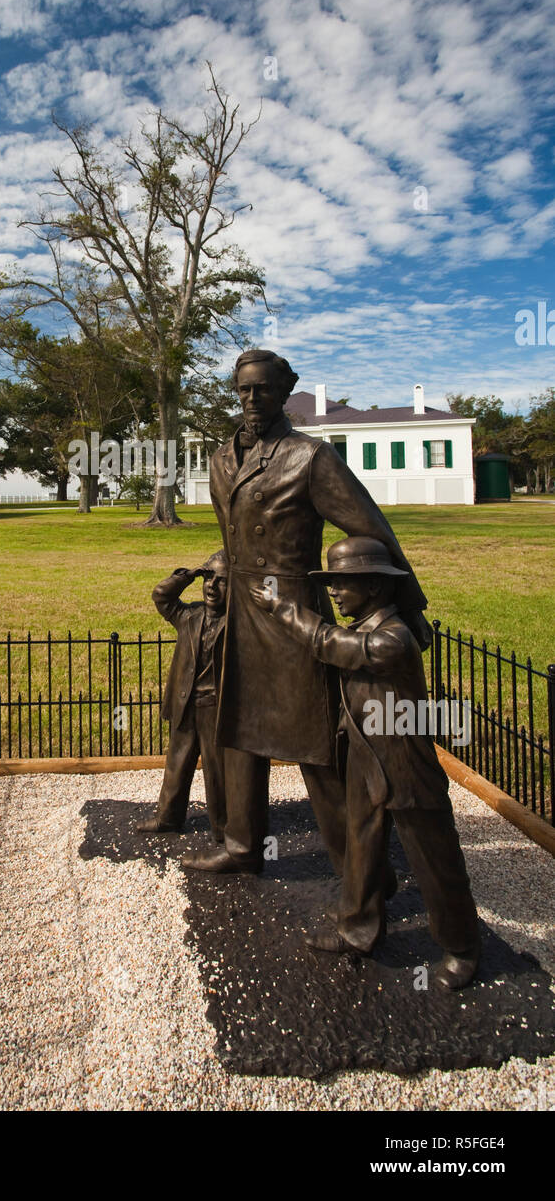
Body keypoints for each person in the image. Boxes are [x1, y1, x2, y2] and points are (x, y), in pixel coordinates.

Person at [183, 348, 431, 877]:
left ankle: (362, 874)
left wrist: (407, 606)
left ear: (285, 389)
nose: (253, 398)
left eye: (264, 389)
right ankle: (242, 844)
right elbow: (232, 535)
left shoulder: (310, 457)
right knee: (238, 729)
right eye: (244, 389)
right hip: (240, 611)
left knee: (316, 745)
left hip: (291, 611)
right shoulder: (221, 458)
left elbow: (372, 529)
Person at [250, 535, 480, 991]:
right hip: (365, 754)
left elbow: (330, 643)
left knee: (434, 859)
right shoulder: (366, 628)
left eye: (341, 583)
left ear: (374, 588)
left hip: (403, 764)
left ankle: (462, 948)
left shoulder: (392, 639)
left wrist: (282, 607)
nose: (333, 591)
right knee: (362, 843)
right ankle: (358, 928)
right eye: (331, 583)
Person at [138, 550, 263, 862]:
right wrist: (187, 575)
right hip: (185, 703)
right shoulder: (189, 616)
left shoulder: (239, 624)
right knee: (176, 764)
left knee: (216, 771)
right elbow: (161, 596)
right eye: (208, 579)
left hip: (215, 708)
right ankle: (168, 817)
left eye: (221, 582)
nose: (212, 586)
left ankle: (223, 831)